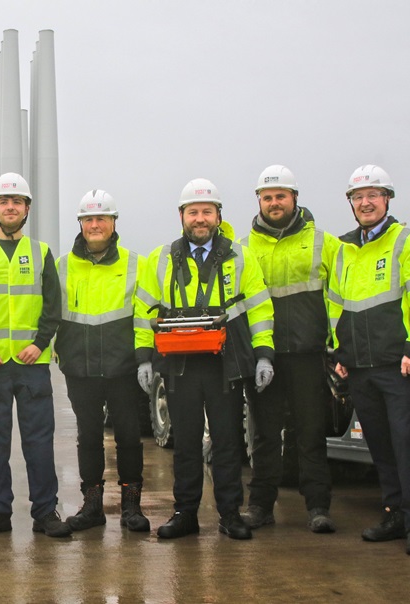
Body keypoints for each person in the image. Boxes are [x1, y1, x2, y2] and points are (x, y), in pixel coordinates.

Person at [134, 178, 274, 540]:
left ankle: (230, 514)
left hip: (224, 363)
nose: (200, 218)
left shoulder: (239, 256)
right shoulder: (162, 258)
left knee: (227, 440)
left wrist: (263, 355)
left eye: (206, 212)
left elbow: (259, 307)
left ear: (218, 216)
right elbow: (143, 309)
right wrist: (144, 358)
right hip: (180, 366)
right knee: (186, 442)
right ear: (181, 216)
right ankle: (185, 513)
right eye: (193, 212)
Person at [329, 165, 410, 556]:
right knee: (378, 445)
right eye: (358, 197)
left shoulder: (409, 243)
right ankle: (393, 514)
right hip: (358, 368)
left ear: (387, 198)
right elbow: (336, 306)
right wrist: (339, 353)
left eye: (373, 194)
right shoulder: (345, 251)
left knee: (406, 442)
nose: (365, 202)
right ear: (351, 204)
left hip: (398, 365)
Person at [0, 172, 71, 538]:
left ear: (27, 209)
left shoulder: (41, 253)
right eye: (4, 201)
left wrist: (40, 343)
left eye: (17, 202)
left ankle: (45, 511)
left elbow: (54, 306)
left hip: (32, 365)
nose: (11, 207)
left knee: (39, 441)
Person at [239, 165, 341, 533]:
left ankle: (317, 507)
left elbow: (339, 296)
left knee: (309, 432)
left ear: (295, 198)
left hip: (306, 353)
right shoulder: (245, 247)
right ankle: (260, 506)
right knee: (264, 434)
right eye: (267, 197)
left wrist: (336, 347)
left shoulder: (322, 242)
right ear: (259, 201)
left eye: (280, 195)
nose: (274, 202)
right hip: (262, 355)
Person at [56, 190, 150, 533]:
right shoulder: (62, 265)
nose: (95, 225)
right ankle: (92, 506)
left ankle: (131, 506)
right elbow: (50, 313)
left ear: (113, 223)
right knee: (89, 436)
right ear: (80, 224)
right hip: (80, 368)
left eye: (102, 219)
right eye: (89, 220)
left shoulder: (135, 264)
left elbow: (145, 315)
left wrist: (144, 359)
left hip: (123, 367)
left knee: (128, 436)